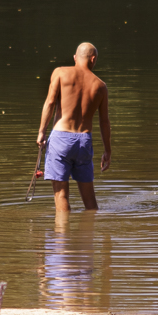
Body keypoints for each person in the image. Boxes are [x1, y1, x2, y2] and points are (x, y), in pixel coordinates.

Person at [37, 42, 111, 213]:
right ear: (93, 59)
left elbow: (49, 102)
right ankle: (88, 235)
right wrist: (108, 150)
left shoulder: (60, 73)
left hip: (61, 138)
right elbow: (104, 121)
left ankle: (62, 235)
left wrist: (41, 131)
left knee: (61, 195)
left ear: (75, 58)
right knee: (90, 200)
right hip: (84, 141)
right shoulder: (100, 86)